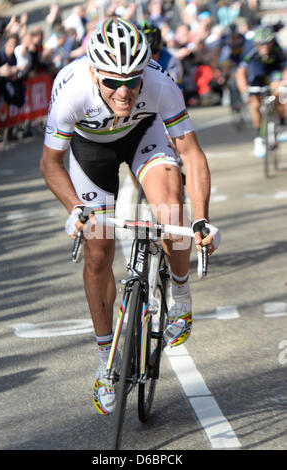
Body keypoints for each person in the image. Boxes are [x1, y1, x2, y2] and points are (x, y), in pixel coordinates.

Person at [40, 18, 220, 416]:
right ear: (93, 72)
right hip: (90, 151)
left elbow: (190, 152)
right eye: (111, 82)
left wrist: (202, 220)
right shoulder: (71, 91)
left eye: (132, 81)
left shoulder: (159, 83)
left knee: (171, 205)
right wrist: (75, 208)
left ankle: (180, 293)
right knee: (98, 252)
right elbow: (51, 163)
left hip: (144, 135)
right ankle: (107, 362)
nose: (123, 91)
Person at [236, 25, 287, 158]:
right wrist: (244, 92)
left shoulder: (277, 48)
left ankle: (282, 124)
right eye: (261, 44)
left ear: (272, 42)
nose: (265, 47)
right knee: (255, 103)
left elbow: (284, 69)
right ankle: (259, 137)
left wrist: (284, 84)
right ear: (256, 44)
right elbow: (240, 72)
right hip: (257, 69)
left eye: (267, 43)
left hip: (273, 69)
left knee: (278, 92)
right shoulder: (250, 50)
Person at [139, 20, 183, 87]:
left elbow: (176, 89)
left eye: (153, 52)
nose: (150, 58)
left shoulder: (171, 61)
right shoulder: (134, 59)